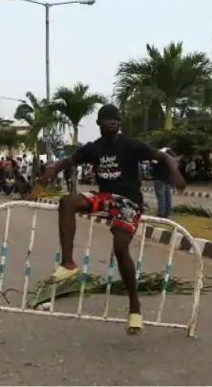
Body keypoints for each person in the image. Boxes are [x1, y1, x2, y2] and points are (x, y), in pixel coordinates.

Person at [38, 103, 186, 335]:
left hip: (128, 201)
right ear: (99, 124)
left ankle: (135, 308)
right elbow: (69, 160)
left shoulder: (131, 145)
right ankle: (68, 264)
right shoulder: (94, 148)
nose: (111, 123)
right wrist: (51, 170)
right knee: (68, 202)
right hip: (106, 197)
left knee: (120, 247)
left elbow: (163, 156)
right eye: (107, 120)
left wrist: (174, 171)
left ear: (119, 124)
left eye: (115, 120)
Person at [151, 147, 176, 218]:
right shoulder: (170, 160)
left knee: (161, 197)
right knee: (167, 196)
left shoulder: (160, 158)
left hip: (159, 179)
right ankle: (167, 213)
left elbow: (152, 164)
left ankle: (161, 213)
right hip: (167, 180)